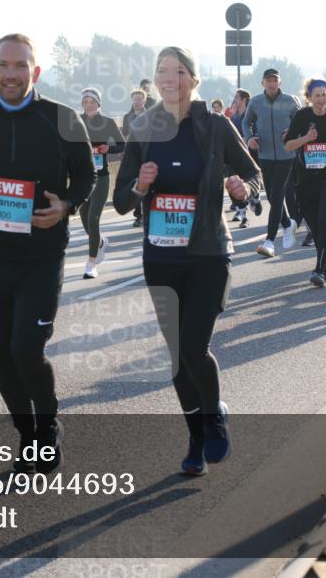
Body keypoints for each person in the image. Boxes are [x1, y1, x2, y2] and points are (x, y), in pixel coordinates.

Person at [0, 33, 95, 475]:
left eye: (20, 65)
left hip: (42, 255)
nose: (11, 74)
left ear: (36, 71)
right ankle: (27, 435)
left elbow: (86, 176)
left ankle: (48, 428)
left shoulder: (61, 118)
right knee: (1, 355)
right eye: (3, 65)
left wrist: (66, 206)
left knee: (27, 349)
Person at [113, 46, 261, 476]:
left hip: (209, 252)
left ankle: (213, 416)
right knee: (179, 355)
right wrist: (140, 187)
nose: (169, 78)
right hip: (161, 257)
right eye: (162, 71)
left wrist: (244, 191)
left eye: (178, 71)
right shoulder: (143, 128)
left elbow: (253, 173)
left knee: (194, 347)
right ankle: (195, 439)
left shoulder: (215, 126)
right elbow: (121, 201)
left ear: (193, 80)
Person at [283, 78, 326, 286]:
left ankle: (320, 269)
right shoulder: (302, 116)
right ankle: (325, 260)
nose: (321, 99)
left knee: (323, 221)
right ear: (309, 98)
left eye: (324, 94)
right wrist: (306, 139)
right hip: (306, 179)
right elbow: (288, 145)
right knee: (315, 225)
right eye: (317, 95)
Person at [243, 67, 302, 257]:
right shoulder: (255, 102)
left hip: (287, 155)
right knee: (271, 196)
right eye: (268, 80)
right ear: (263, 83)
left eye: (275, 80)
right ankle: (288, 223)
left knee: (276, 195)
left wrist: (292, 132)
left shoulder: (290, 101)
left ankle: (269, 241)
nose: (272, 83)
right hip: (265, 155)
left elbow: (301, 122)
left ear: (280, 82)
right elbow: (246, 123)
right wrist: (249, 138)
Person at [80, 87, 126, 279]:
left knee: (93, 219)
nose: (88, 105)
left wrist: (109, 148)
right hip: (82, 177)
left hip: (101, 176)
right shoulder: (77, 121)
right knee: (84, 219)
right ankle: (99, 243)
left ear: (99, 103)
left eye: (92, 101)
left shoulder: (107, 122)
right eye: (85, 102)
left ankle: (91, 264)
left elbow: (122, 144)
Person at [228, 88, 256, 227]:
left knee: (245, 182)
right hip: (235, 155)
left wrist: (246, 140)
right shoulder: (234, 116)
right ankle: (242, 212)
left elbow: (254, 133)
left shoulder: (250, 115)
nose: (234, 100)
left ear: (244, 100)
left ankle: (253, 199)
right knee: (234, 181)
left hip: (250, 155)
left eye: (237, 98)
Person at [123, 88, 149, 227]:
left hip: (147, 153)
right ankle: (138, 216)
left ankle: (147, 213)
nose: (137, 102)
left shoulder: (151, 115)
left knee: (147, 184)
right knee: (135, 184)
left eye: (139, 99)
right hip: (133, 154)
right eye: (135, 99)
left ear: (144, 100)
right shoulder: (127, 116)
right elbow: (125, 134)